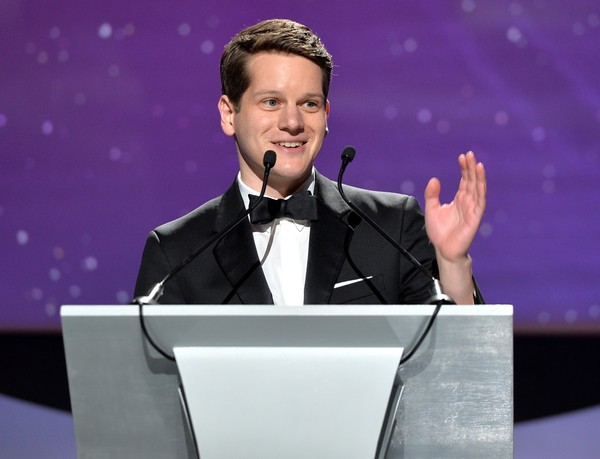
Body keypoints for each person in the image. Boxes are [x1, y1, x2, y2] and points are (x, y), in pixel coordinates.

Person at [134, 19, 486, 306]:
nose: (293, 122)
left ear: (327, 114)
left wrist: (453, 264)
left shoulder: (391, 227)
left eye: (309, 104)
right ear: (229, 115)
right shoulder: (178, 251)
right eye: (271, 102)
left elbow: (454, 369)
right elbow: (148, 383)